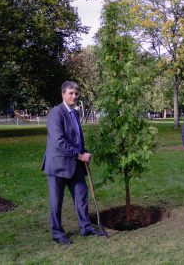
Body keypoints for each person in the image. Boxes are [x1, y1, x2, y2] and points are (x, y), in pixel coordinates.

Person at [42, 81, 103, 245]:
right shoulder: (56, 113)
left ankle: (86, 227)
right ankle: (57, 233)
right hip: (57, 166)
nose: (74, 96)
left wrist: (83, 151)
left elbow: (76, 139)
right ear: (63, 94)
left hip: (75, 163)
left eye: (76, 94)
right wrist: (79, 155)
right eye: (70, 93)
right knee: (56, 202)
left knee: (81, 196)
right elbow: (59, 141)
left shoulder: (75, 113)